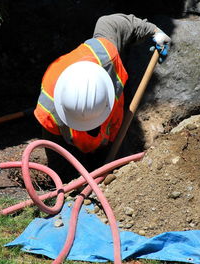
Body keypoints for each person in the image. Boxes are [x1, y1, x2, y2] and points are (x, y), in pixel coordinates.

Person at [34, 13, 171, 179]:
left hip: (112, 131)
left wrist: (155, 31)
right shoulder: (49, 109)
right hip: (70, 143)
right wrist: (70, 184)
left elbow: (110, 22)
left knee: (118, 161)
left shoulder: (105, 55)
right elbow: (58, 158)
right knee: (67, 174)